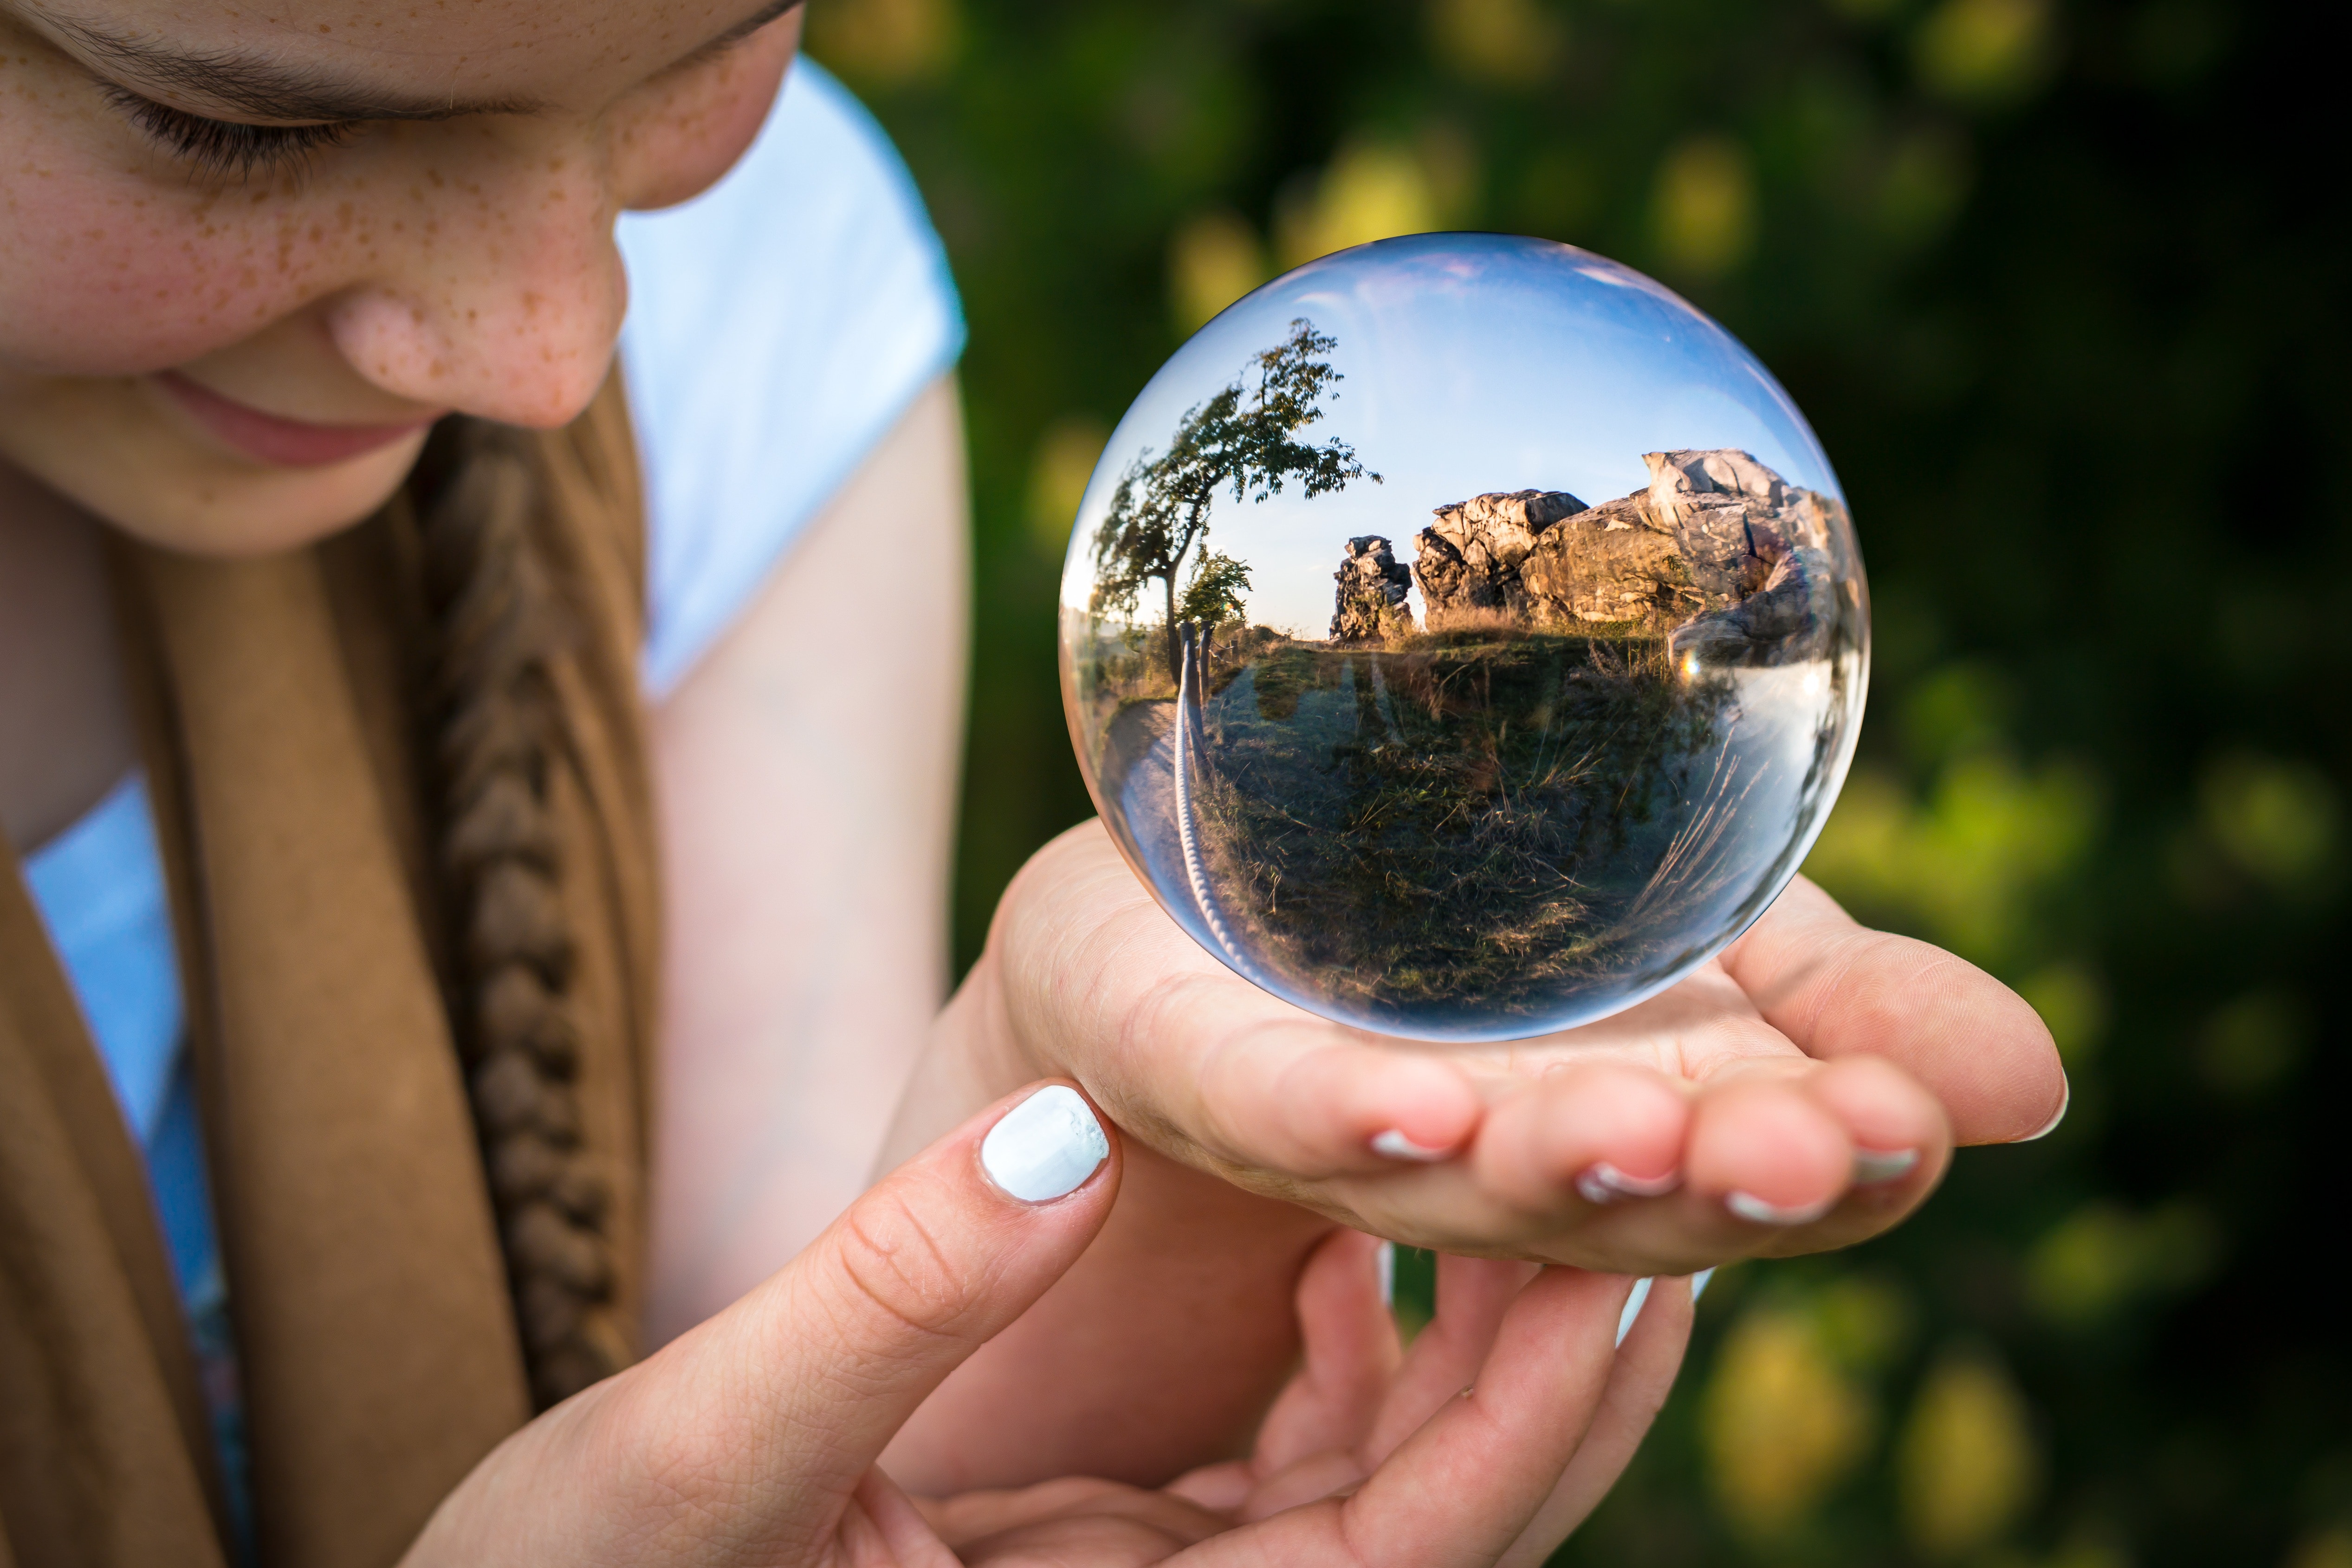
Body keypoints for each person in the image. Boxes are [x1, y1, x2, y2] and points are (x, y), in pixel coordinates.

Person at [0, 0, 2068, 1562]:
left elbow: (800, 1431)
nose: (549, 355)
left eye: (706, 54)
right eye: (224, 126)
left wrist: (1110, 1184)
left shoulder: (757, 311)